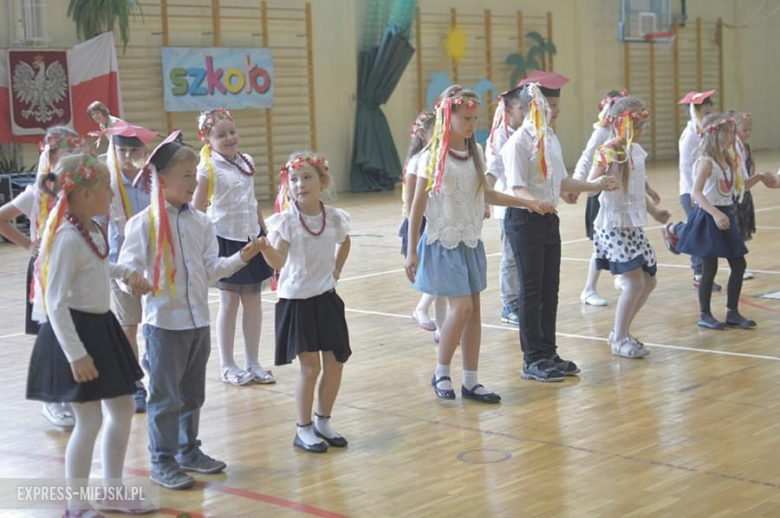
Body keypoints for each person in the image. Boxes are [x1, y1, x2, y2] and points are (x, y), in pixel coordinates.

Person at [119, 131, 265, 489]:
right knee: (165, 398)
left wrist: (241, 257)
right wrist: (132, 281)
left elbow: (210, 270)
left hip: (198, 322)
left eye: (196, 174)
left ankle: (188, 450)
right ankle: (162, 460)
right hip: (164, 326)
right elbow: (126, 269)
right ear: (162, 179)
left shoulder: (201, 223)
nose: (195, 181)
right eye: (187, 176)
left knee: (193, 394)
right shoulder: (143, 225)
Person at [405, 85, 556, 403]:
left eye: (475, 118)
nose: (472, 124)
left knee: (473, 313)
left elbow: (486, 194)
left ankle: (471, 381)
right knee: (461, 309)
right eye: (466, 118)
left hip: (469, 241)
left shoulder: (475, 154)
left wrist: (527, 203)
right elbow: (416, 205)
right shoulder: (431, 158)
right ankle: (441, 371)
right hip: (443, 242)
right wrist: (411, 251)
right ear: (449, 118)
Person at [26, 153, 155, 516]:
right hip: (74, 337)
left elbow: (97, 265)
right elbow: (55, 301)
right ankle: (76, 502)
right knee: (90, 420)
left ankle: (112, 489)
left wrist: (125, 272)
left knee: (124, 407)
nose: (113, 197)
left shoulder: (91, 229)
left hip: (100, 329)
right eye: (106, 191)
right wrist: (76, 355)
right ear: (84, 196)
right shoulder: (66, 236)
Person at [501, 73, 618, 382]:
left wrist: (594, 184)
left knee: (550, 290)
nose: (556, 111)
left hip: (548, 218)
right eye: (550, 105)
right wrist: (533, 203)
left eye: (557, 105)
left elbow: (561, 181)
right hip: (524, 220)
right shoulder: (519, 142)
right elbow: (516, 188)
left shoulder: (550, 138)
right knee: (531, 290)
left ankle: (548, 351)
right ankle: (532, 358)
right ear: (532, 107)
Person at [258, 152, 352, 453]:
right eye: (294, 179)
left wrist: (336, 270)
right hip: (297, 303)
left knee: (335, 364)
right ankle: (303, 428)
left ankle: (323, 420)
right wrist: (263, 248)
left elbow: (345, 240)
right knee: (309, 369)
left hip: (326, 299)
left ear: (322, 181)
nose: (300, 184)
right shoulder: (287, 222)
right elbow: (279, 259)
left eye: (307, 177)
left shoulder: (334, 217)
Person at [0, 126, 82, 428]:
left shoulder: (79, 189)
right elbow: (2, 218)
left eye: (78, 151)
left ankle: (68, 390)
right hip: (46, 271)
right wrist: (28, 244)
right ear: (50, 156)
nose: (74, 157)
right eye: (67, 152)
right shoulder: (37, 191)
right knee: (52, 335)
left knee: (73, 331)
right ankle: (51, 399)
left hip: (75, 269)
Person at [662, 114, 770, 330]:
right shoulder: (706, 161)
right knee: (709, 268)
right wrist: (715, 214)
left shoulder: (728, 160)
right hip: (709, 216)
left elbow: (737, 188)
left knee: (739, 264)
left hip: (725, 214)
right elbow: (696, 193)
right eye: (730, 131)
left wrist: (758, 178)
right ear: (717, 134)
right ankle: (705, 314)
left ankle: (733, 312)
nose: (734, 135)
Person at [193, 108, 275, 386]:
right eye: (221, 135)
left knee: (253, 302)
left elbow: (252, 202)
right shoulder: (208, 166)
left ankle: (253, 362)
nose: (229, 138)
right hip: (225, 239)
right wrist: (198, 243)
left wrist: (265, 233)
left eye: (232, 132)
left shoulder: (247, 161)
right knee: (228, 304)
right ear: (208, 139)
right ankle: (227, 365)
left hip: (252, 237)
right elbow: (197, 207)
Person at [587, 97, 670, 358]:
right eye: (638, 125)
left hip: (632, 225)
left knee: (650, 281)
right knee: (634, 282)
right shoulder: (608, 151)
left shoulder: (635, 151)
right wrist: (602, 182)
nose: (642, 131)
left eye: (644, 125)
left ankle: (620, 332)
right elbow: (589, 185)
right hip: (612, 225)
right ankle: (619, 337)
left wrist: (655, 212)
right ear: (623, 123)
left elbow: (634, 192)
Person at [102, 121, 158, 413]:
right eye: (121, 150)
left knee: (155, 322)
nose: (127, 156)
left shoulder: (153, 180)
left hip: (154, 262)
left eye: (134, 150)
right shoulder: (107, 182)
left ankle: (157, 375)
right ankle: (134, 382)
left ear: (145, 151)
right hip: (121, 264)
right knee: (129, 325)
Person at [401, 110, 447, 340]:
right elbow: (412, 202)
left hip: (440, 221)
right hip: (419, 224)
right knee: (436, 277)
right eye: (436, 132)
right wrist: (415, 235)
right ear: (422, 133)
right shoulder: (419, 160)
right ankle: (424, 312)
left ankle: (440, 327)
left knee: (441, 278)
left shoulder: (442, 156)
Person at [484, 82, 526, 325]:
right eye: (521, 108)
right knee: (510, 256)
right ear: (508, 110)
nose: (525, 113)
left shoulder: (528, 132)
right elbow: (493, 170)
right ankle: (509, 303)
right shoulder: (499, 136)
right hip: (507, 205)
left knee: (524, 256)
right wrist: (486, 201)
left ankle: (524, 300)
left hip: (525, 204)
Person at [672, 90, 720, 291]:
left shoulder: (706, 131)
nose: (710, 108)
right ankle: (698, 272)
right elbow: (684, 164)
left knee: (703, 231)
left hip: (704, 190)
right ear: (698, 109)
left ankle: (701, 272)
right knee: (699, 232)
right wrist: (694, 191)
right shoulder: (690, 134)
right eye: (707, 105)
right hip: (691, 191)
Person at [729, 111, 757, 279]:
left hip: (744, 192)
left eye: (750, 130)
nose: (748, 133)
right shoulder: (732, 147)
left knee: (742, 231)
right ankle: (737, 267)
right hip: (734, 194)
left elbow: (750, 166)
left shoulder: (745, 147)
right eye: (744, 130)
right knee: (736, 231)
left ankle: (740, 265)